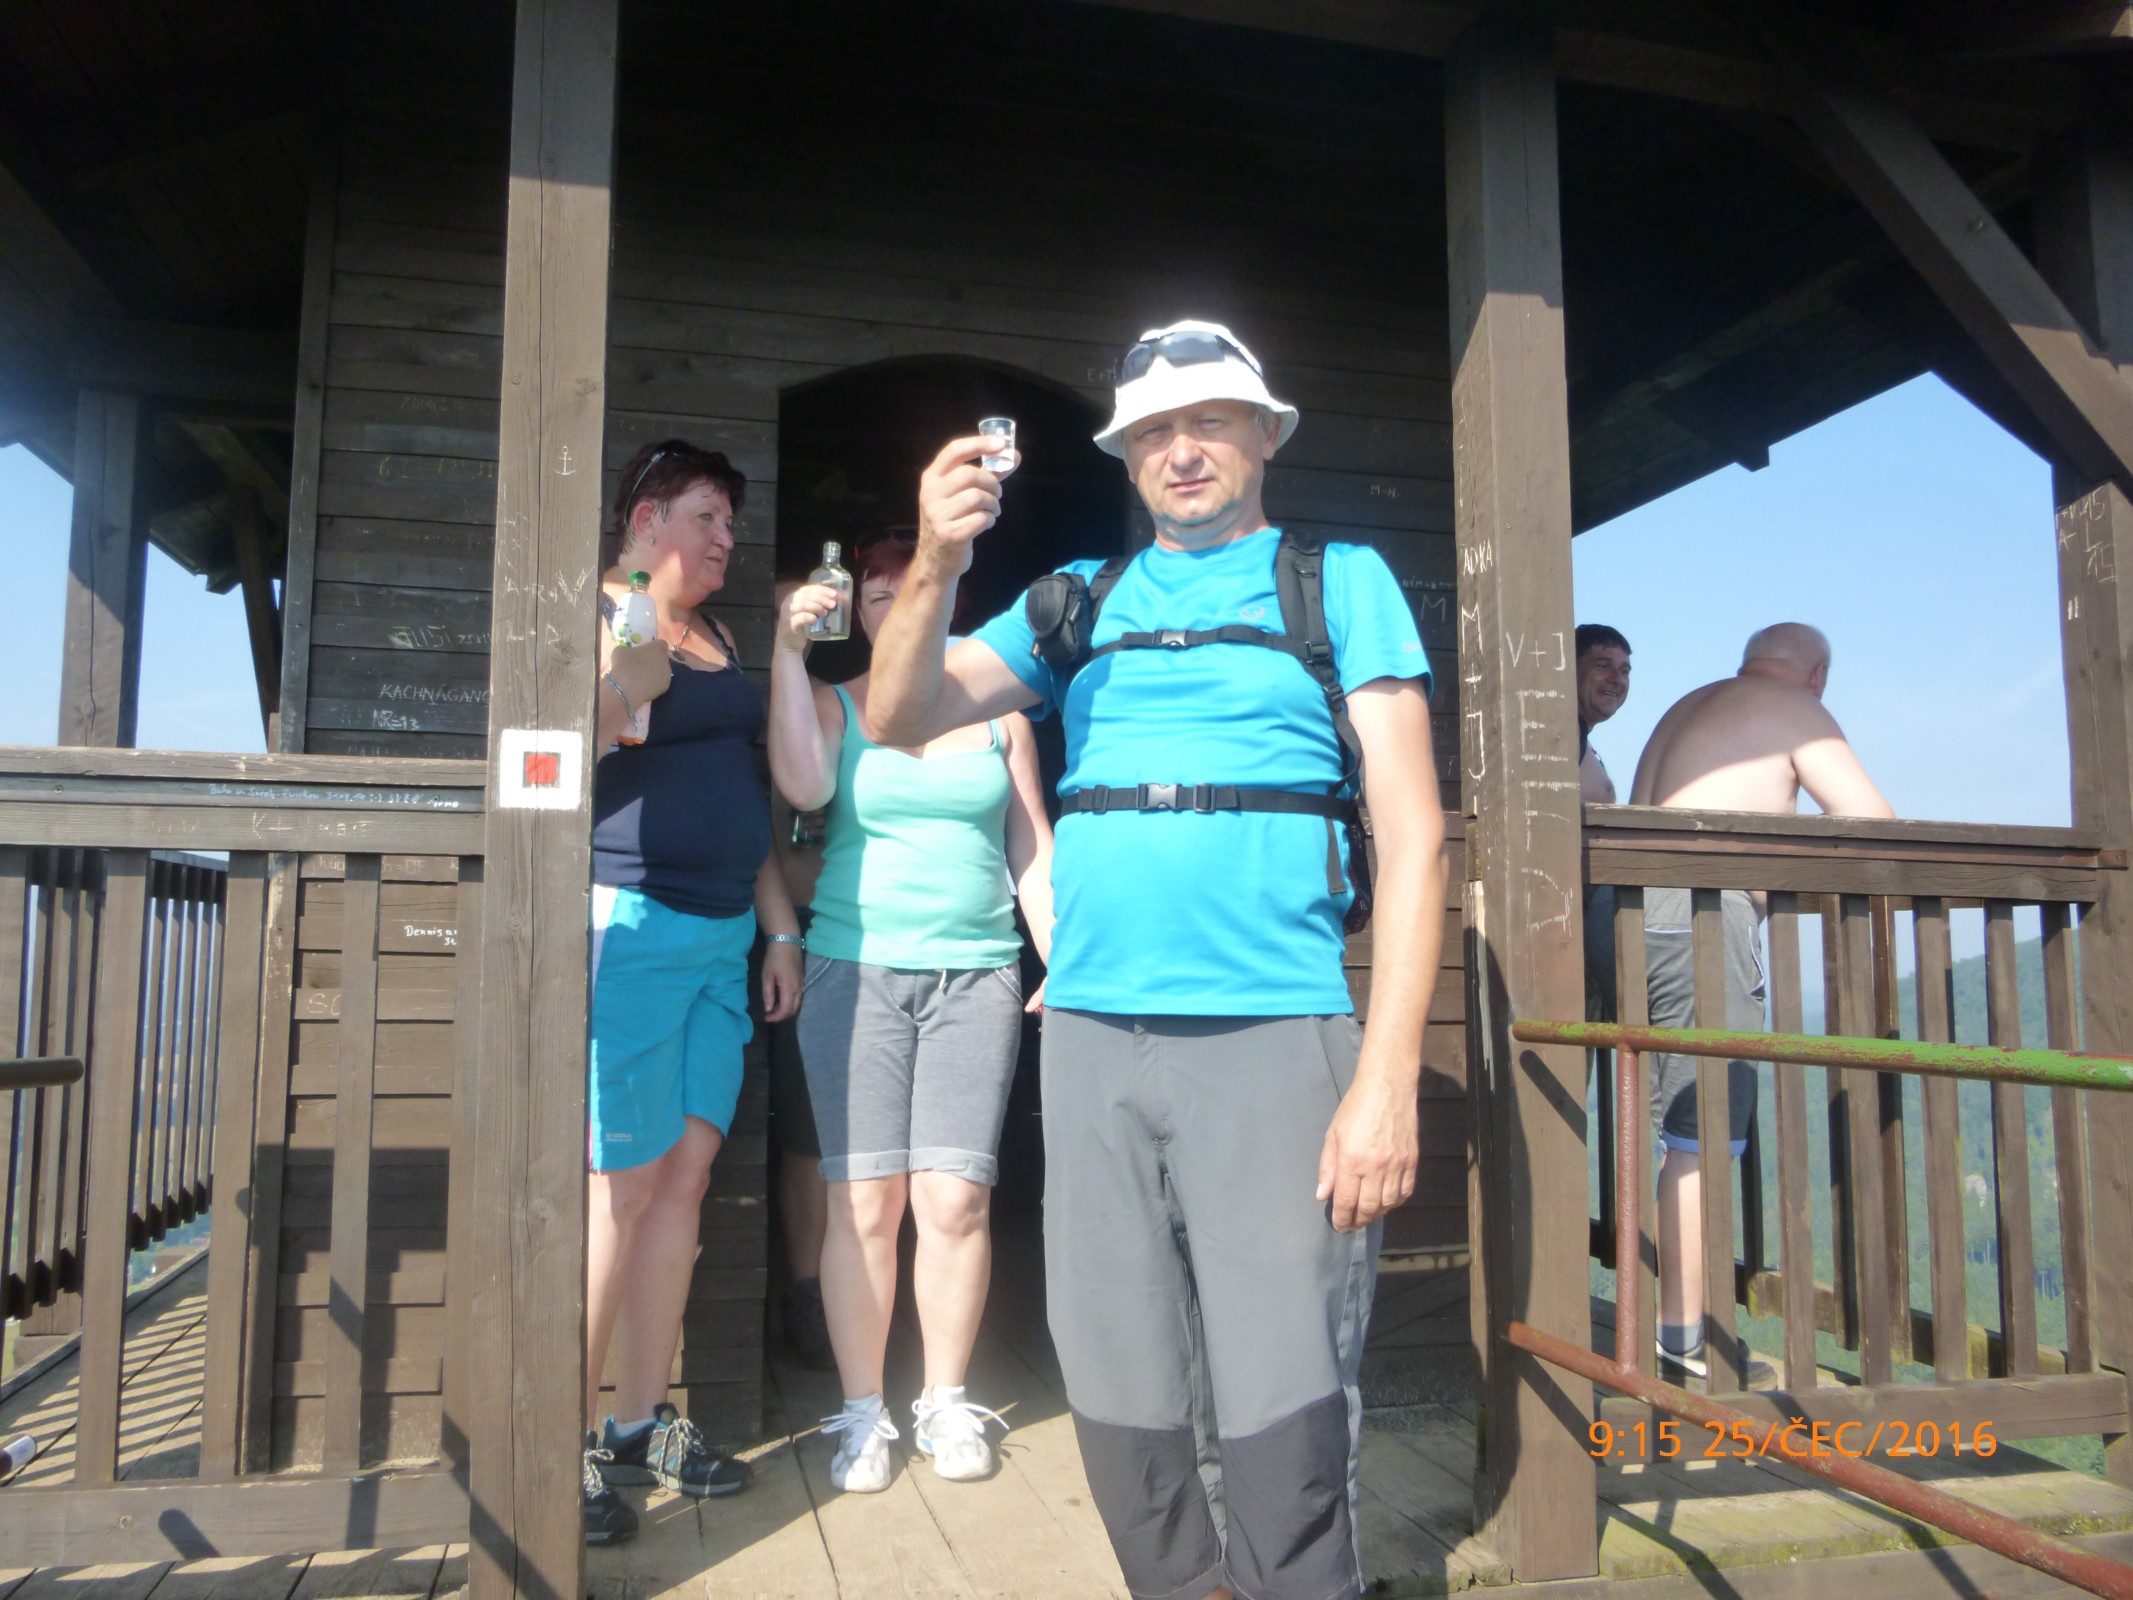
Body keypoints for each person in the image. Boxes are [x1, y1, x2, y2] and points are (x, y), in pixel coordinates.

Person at [865, 321, 1446, 1600]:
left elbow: (1414, 836)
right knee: (1116, 1376)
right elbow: (896, 715)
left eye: (1210, 422)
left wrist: (1387, 1079)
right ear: (1126, 456)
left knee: (1285, 1390)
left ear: (1265, 436)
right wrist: (939, 562)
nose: (1182, 450)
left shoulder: (1338, 582)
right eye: (1154, 432)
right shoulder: (1075, 598)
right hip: (1090, 1036)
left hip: (1274, 1033)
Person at [771, 530, 1056, 1494]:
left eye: (915, 591)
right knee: (862, 1204)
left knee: (956, 1201)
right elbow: (801, 787)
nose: (898, 610)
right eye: (878, 597)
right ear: (858, 616)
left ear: (949, 603)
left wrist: (1059, 957)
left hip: (977, 976)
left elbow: (1031, 847)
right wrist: (786, 651)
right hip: (854, 973)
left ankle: (942, 1401)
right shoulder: (835, 704)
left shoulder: (1002, 715)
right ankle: (862, 1413)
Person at [582, 439, 804, 1542]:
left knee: (684, 1177)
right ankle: (556, 1444)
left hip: (724, 938)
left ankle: (635, 1422)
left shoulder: (719, 638)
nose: (726, 539)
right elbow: (582, 736)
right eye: (708, 517)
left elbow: (738, 796)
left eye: (730, 521)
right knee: (619, 1190)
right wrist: (623, 661)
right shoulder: (602, 613)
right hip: (629, 927)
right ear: (646, 519)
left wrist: (778, 926)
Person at [1629, 621, 1893, 1382]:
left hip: (1629, 915)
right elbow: (1876, 826)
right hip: (1700, 918)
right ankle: (1684, 1345)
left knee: (1669, 1125)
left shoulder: (1689, 704)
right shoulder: (1796, 708)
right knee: (1702, 1134)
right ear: (1817, 676)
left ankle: (1666, 1330)